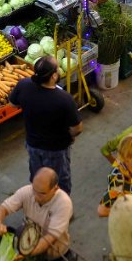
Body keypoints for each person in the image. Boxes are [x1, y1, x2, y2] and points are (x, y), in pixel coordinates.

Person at [9, 56, 82, 195]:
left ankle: (39, 206)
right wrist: (70, 135)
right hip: (57, 149)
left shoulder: (24, 85)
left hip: (33, 145)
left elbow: (13, 103)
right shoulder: (64, 99)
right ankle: (62, 210)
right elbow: (77, 128)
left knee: (37, 178)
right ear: (54, 76)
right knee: (61, 182)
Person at [0, 167, 73, 261]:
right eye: (34, 189)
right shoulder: (27, 191)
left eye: (42, 194)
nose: (35, 196)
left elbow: (50, 238)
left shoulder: (63, 204)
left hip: (55, 253)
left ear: (55, 190)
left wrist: (25, 253)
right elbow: (2, 209)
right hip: (28, 244)